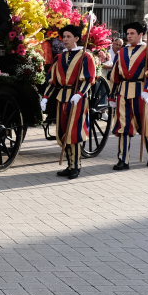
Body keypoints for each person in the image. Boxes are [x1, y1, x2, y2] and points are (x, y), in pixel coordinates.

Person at [41, 24, 95, 179]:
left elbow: (88, 79)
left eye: (68, 37)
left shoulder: (85, 56)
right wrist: (45, 97)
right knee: (63, 131)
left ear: (76, 38)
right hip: (62, 97)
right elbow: (52, 81)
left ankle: (76, 166)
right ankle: (70, 164)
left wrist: (79, 94)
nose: (65, 39)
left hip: (77, 99)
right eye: (63, 37)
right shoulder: (59, 58)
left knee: (74, 132)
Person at [109, 21, 148, 170]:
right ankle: (123, 159)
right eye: (128, 33)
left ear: (141, 34)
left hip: (142, 92)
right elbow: (115, 75)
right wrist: (112, 95)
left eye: (132, 33)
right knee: (123, 127)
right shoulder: (121, 52)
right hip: (123, 92)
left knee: (146, 125)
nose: (129, 36)